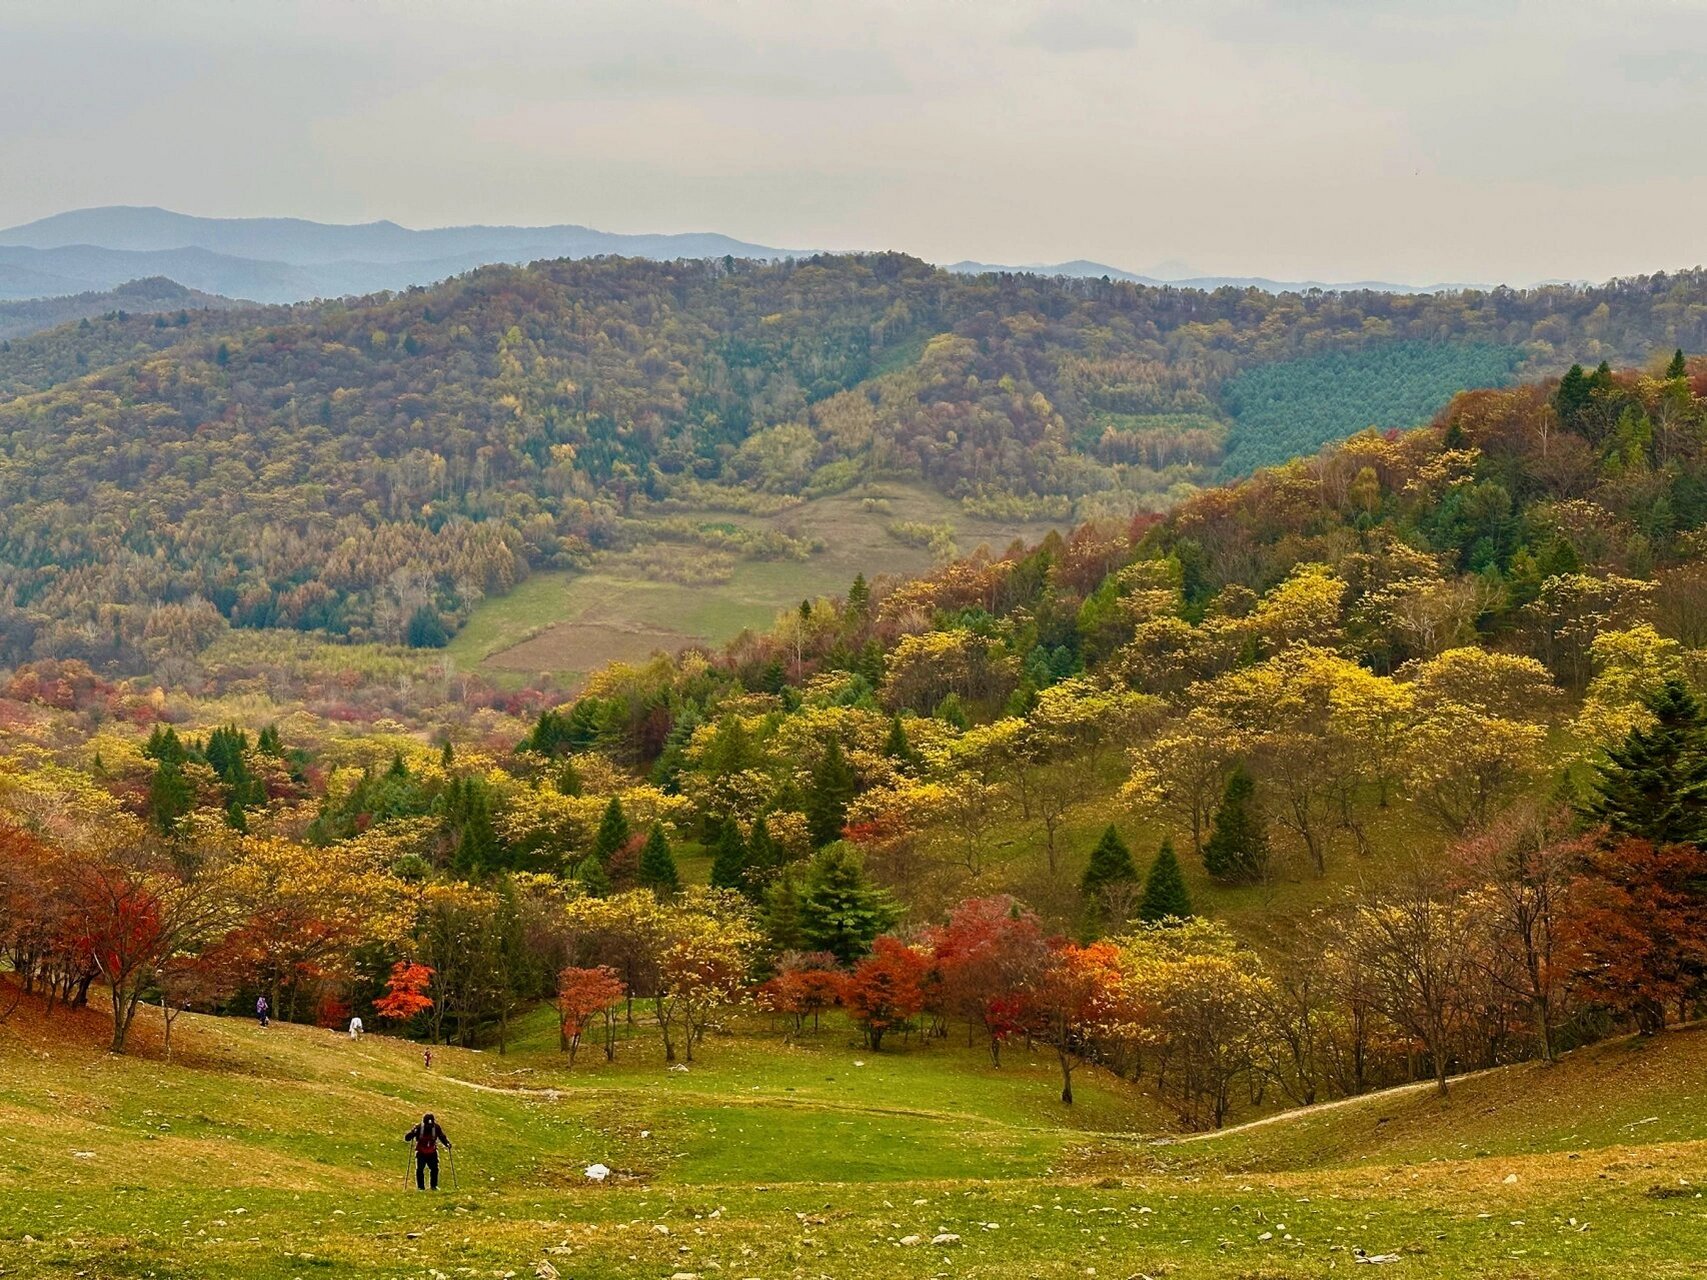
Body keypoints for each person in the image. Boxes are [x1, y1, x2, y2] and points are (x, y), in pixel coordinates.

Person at [404, 1112, 451, 1190]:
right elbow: (407, 1138)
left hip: (432, 1152)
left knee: (434, 1169)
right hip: (421, 1153)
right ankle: (420, 1187)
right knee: (420, 1169)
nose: (429, 1127)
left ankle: (434, 1186)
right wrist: (413, 1133)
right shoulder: (419, 1128)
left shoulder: (436, 1128)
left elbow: (441, 1136)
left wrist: (447, 1144)